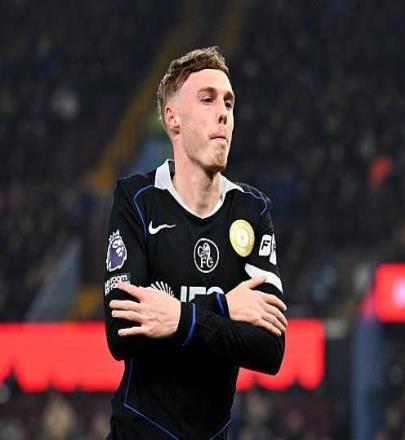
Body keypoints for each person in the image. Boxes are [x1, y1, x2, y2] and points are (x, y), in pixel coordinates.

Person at [103, 46, 287, 439]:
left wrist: (179, 319)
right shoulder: (136, 200)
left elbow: (270, 349)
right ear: (173, 119)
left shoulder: (251, 210)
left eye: (229, 103)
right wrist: (224, 308)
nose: (224, 113)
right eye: (207, 99)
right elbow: (121, 330)